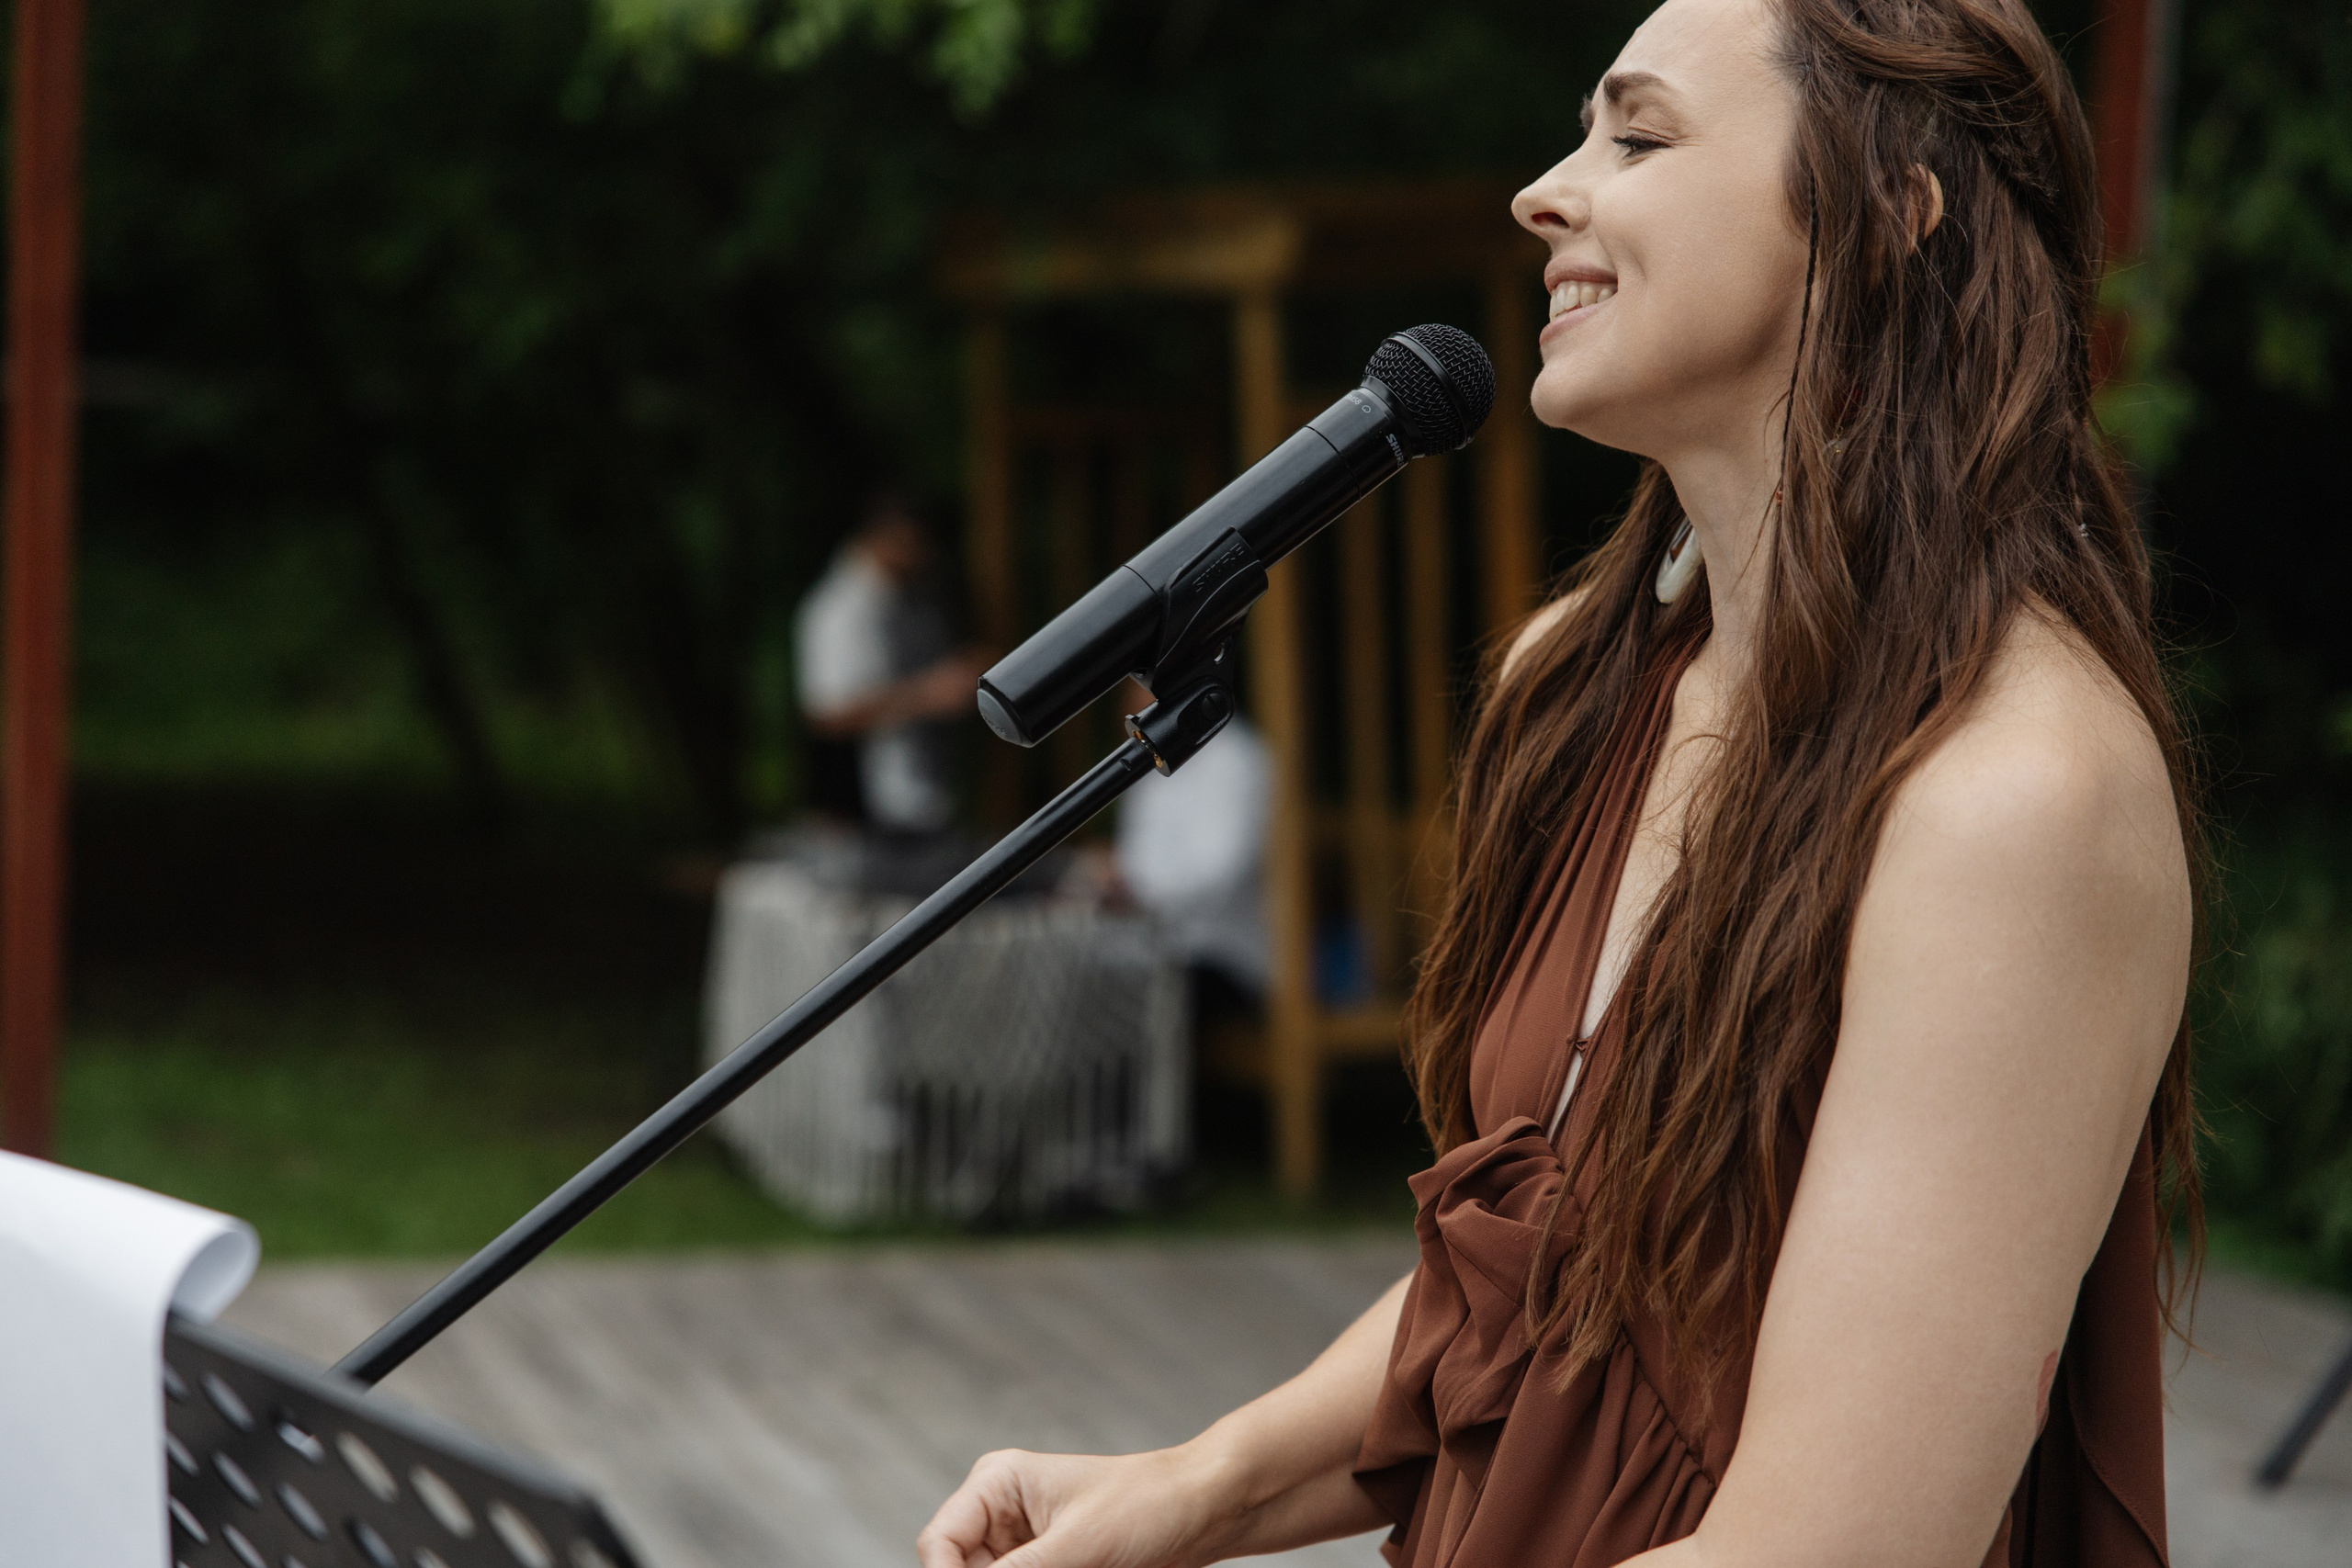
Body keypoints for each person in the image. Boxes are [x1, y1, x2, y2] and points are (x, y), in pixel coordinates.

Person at [917, 0, 2198, 1563]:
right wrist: (1198, 1485)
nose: (1545, 190)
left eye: (1639, 135)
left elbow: (1830, 1544)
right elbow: (1547, 1281)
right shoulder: (1575, 690)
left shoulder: (2017, 800)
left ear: (1890, 217)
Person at [795, 495, 985, 835]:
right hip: (865, 816)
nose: (925, 556)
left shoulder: (918, 600)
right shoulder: (839, 610)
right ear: (883, 539)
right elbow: (828, 715)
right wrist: (929, 694)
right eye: (915, 544)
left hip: (924, 803)